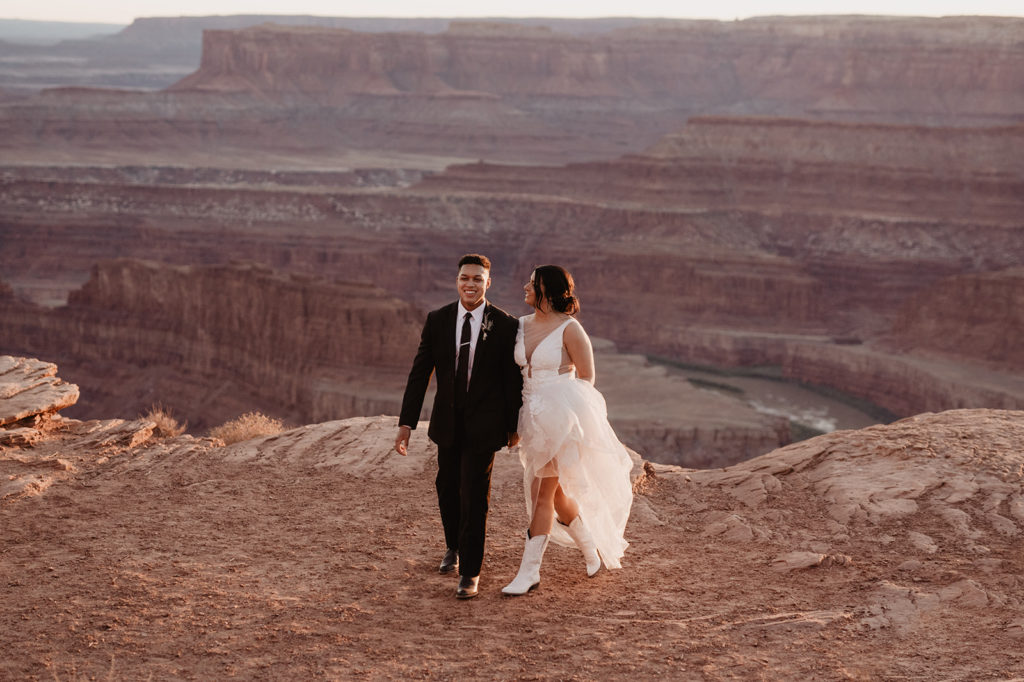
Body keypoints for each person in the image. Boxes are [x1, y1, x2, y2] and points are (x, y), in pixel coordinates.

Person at [395, 254, 523, 600]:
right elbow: (420, 373)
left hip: (484, 427)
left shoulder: (506, 325)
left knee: (474, 496)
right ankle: (452, 546)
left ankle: (470, 571)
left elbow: (512, 381)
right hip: (447, 424)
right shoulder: (438, 320)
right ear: (457, 281)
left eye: (477, 279)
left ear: (488, 283)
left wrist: (514, 426)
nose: (470, 284)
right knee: (447, 488)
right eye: (465, 278)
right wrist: (407, 422)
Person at [502, 265, 633, 596]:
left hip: (561, 421)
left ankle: (529, 571)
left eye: (532, 284)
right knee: (556, 493)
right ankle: (589, 545)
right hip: (530, 417)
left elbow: (587, 378)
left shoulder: (570, 330)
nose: (525, 287)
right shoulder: (519, 326)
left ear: (547, 290)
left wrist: (569, 416)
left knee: (541, 493)